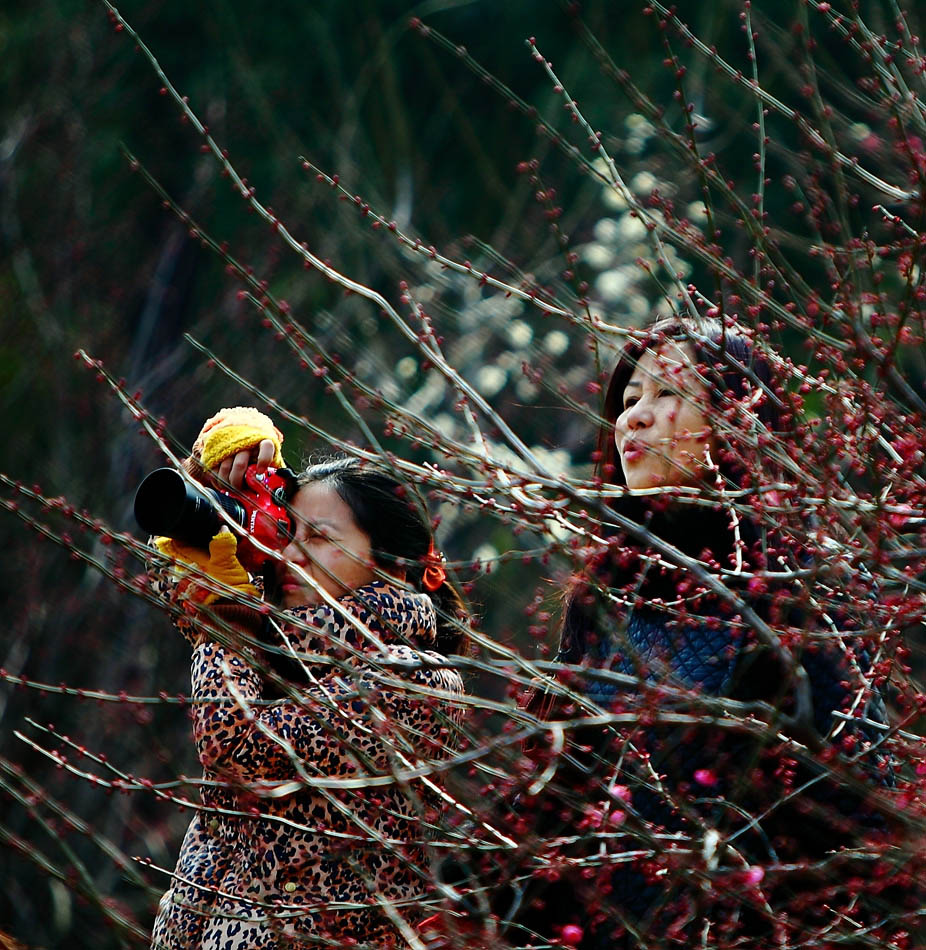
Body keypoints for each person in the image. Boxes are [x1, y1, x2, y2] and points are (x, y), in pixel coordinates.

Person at [500, 316, 895, 948]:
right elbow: (560, 791)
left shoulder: (799, 587)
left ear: (738, 418)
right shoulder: (603, 596)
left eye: (668, 396)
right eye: (629, 402)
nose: (635, 417)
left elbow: (848, 805)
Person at [148, 407, 467, 950]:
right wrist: (220, 489)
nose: (289, 556)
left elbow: (236, 746)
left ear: (391, 566)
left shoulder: (417, 679)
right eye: (286, 533)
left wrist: (228, 615)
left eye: (318, 538)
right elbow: (178, 584)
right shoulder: (280, 651)